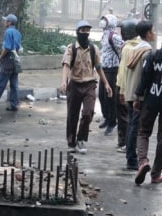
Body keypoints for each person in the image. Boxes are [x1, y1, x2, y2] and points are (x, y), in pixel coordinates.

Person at [133, 25, 162, 185]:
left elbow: (144, 78)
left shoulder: (153, 55)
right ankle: (156, 174)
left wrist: (138, 96)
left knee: (143, 132)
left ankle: (143, 161)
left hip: (151, 100)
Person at [59, 20, 113, 154]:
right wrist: (64, 81)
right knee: (72, 115)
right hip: (75, 85)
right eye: (83, 31)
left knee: (88, 113)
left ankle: (81, 139)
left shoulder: (94, 49)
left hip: (89, 85)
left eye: (87, 31)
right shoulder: (71, 48)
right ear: (78, 32)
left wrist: (106, 83)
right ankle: (71, 142)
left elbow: (99, 67)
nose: (86, 33)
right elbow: (66, 65)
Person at [117, 20, 153, 170]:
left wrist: (124, 91)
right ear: (148, 33)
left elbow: (124, 72)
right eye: (153, 31)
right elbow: (146, 75)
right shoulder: (147, 51)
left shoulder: (132, 49)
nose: (154, 33)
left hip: (130, 92)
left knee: (132, 125)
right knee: (136, 127)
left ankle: (131, 157)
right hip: (139, 94)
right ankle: (132, 159)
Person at [98, 14, 124, 137]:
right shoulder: (104, 35)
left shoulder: (114, 37)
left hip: (112, 70)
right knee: (101, 96)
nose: (103, 22)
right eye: (103, 20)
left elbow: (124, 47)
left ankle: (112, 121)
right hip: (103, 69)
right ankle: (107, 118)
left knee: (110, 96)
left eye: (106, 20)